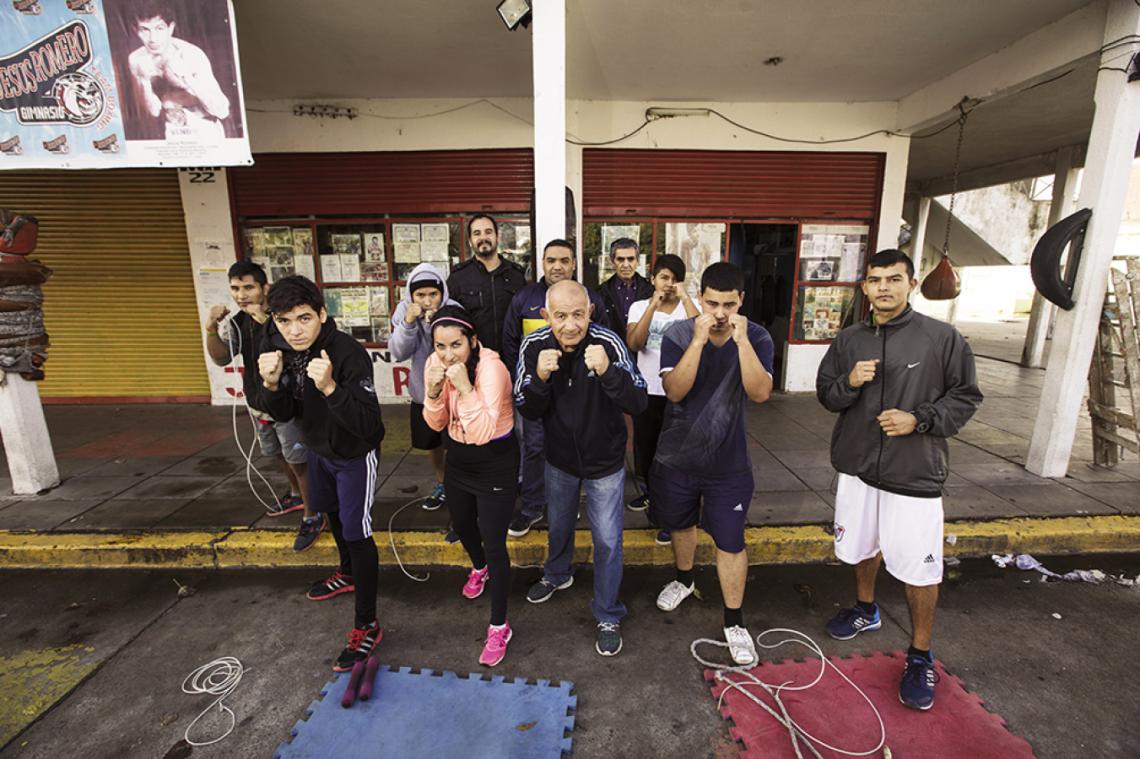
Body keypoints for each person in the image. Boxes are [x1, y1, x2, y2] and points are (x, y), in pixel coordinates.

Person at [815, 249, 982, 711]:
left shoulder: (942, 338)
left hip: (914, 473)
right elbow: (826, 395)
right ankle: (866, 609)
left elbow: (967, 397)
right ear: (864, 287)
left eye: (894, 278)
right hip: (859, 466)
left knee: (919, 567)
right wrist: (849, 382)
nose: (883, 287)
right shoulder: (848, 340)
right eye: (875, 280)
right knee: (860, 547)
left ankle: (920, 653)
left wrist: (920, 419)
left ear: (911, 283)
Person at [255, 275, 386, 672]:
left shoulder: (347, 353)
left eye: (304, 318)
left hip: (353, 454)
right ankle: (347, 573)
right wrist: (270, 383)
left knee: (356, 531)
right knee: (329, 512)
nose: (295, 330)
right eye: (284, 321)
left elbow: (370, 426)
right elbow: (280, 413)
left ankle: (368, 624)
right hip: (317, 450)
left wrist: (330, 388)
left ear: (322, 314)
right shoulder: (276, 345)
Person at [651, 262, 774, 667]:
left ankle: (735, 621)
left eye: (728, 304)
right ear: (700, 298)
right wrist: (699, 342)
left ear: (741, 302)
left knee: (731, 541)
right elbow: (674, 391)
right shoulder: (679, 333)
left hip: (729, 462)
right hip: (678, 458)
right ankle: (684, 579)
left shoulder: (756, 336)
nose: (720, 313)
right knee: (681, 524)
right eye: (712, 303)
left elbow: (760, 395)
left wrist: (741, 345)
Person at [515, 280, 647, 657]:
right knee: (558, 525)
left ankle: (607, 612)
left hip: (605, 461)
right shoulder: (534, 345)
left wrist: (608, 373)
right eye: (560, 316)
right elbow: (525, 405)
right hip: (559, 460)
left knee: (607, 540)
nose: (570, 325)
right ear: (545, 316)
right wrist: (539, 379)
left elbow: (638, 399)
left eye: (577, 315)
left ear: (590, 312)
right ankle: (558, 574)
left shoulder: (609, 342)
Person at [422, 306, 519, 667]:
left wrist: (463, 387)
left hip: (494, 459)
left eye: (456, 345)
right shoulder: (435, 362)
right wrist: (433, 393)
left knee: (494, 541)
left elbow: (480, 433)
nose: (448, 354)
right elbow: (435, 424)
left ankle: (499, 626)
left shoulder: (492, 368)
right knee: (462, 525)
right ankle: (479, 567)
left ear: (473, 341)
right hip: (458, 458)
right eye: (441, 346)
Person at [203, 261, 322, 552]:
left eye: (248, 287)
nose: (241, 294)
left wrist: (264, 320)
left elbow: (299, 347)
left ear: (263, 288)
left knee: (298, 458)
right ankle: (295, 495)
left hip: (287, 403)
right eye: (235, 288)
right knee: (275, 453)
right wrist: (211, 327)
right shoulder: (238, 322)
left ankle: (312, 513)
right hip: (258, 403)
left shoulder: (281, 316)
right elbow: (221, 358)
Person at [501, 239, 610, 538]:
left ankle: (566, 503)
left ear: (574, 264)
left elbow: (605, 339)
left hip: (576, 393)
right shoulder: (524, 299)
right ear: (543, 263)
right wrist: (527, 377)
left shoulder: (591, 300)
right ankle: (533, 506)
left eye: (564, 260)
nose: (557, 266)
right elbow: (510, 341)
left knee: (572, 445)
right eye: (551, 260)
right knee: (534, 447)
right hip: (539, 387)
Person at [625, 254, 699, 544]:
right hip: (647, 392)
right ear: (653, 279)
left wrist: (687, 297)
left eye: (673, 278)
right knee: (646, 452)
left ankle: (673, 515)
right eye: (663, 277)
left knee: (676, 458)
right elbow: (634, 343)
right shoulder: (639, 306)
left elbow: (702, 331)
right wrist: (653, 307)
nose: (668, 284)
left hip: (679, 392)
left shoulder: (688, 308)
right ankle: (653, 498)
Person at [388, 264, 458, 512]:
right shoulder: (403, 312)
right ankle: (441, 483)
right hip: (422, 393)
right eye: (420, 295)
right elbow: (398, 352)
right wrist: (408, 323)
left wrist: (436, 323)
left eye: (433, 294)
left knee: (455, 443)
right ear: (411, 295)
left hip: (453, 394)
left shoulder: (454, 309)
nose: (427, 301)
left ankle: (457, 486)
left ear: (442, 293)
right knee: (432, 444)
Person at [126, 0, 231, 141]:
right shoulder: (136, 60)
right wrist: (144, 82)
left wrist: (188, 78)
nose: (152, 39)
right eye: (145, 30)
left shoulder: (191, 55)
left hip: (204, 128)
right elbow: (153, 111)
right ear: (136, 30)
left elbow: (222, 110)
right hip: (170, 131)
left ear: (171, 28)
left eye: (159, 28)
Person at [447, 215, 528, 353]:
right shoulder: (458, 277)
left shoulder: (516, 275)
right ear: (470, 241)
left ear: (498, 237)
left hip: (513, 358)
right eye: (477, 233)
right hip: (474, 359)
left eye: (488, 232)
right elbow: (450, 321)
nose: (483, 237)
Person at [599, 237, 653, 347]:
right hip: (612, 355)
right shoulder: (601, 293)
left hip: (643, 354)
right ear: (612, 261)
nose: (626, 264)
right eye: (620, 259)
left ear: (637, 261)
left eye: (631, 259)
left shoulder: (651, 291)